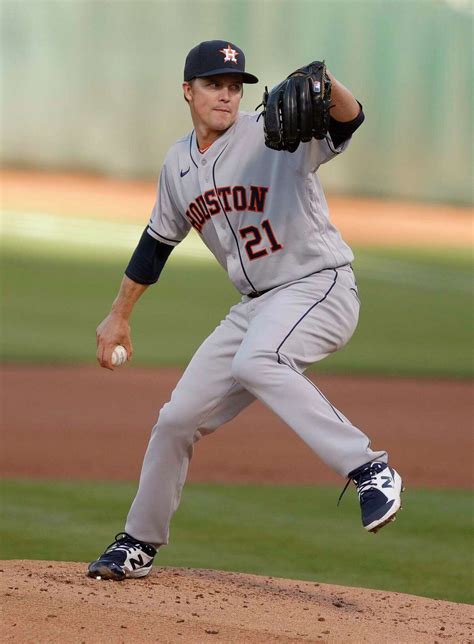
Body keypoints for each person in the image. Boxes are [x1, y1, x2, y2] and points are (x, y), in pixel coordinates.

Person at [88, 40, 403, 581]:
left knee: (258, 362)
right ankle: (137, 542)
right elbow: (156, 244)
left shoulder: (271, 134)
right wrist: (119, 314)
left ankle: (370, 469)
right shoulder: (177, 164)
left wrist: (329, 87)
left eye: (235, 87)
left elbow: (349, 122)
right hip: (254, 307)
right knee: (177, 419)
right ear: (187, 91)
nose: (227, 96)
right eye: (214, 84)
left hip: (318, 286)